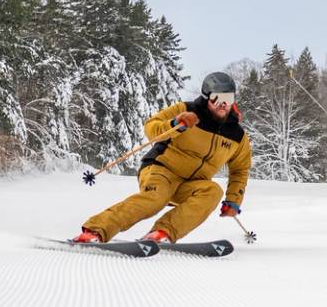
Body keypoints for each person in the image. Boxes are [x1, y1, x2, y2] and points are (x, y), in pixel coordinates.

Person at [75, 71, 251, 244]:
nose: (223, 105)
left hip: (191, 184)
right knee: (155, 199)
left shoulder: (236, 135)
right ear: (206, 98)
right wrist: (174, 124)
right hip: (161, 170)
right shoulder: (186, 110)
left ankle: (162, 233)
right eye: (217, 99)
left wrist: (233, 201)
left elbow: (240, 169)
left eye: (228, 99)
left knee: (213, 191)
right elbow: (151, 127)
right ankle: (96, 230)